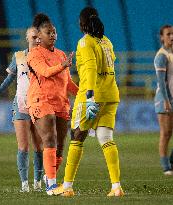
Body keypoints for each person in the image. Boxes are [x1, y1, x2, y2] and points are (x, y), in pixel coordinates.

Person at [52, 7, 124, 197]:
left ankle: (67, 187)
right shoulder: (106, 41)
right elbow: (111, 65)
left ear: (82, 23)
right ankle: (116, 187)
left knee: (77, 136)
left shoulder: (85, 43)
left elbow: (91, 69)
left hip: (92, 97)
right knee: (106, 138)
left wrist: (90, 98)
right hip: (111, 95)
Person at [0, 27, 43, 192]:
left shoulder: (44, 56)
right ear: (27, 38)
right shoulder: (19, 56)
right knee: (23, 146)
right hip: (21, 103)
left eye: (39, 37)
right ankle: (25, 184)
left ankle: (37, 182)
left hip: (38, 104)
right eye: (34, 37)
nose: (37, 40)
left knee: (39, 147)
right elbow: (10, 78)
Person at [27, 13, 78, 195]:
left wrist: (84, 95)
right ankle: (51, 185)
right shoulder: (34, 54)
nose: (53, 35)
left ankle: (50, 179)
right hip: (40, 100)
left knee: (61, 145)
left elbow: (68, 83)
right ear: (39, 36)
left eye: (54, 32)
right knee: (50, 138)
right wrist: (63, 66)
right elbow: (45, 72)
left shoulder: (61, 54)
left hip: (61, 103)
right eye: (48, 32)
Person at [154, 25, 173, 175]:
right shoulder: (161, 56)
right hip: (164, 99)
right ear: (162, 37)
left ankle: (171, 161)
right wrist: (167, 100)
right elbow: (161, 82)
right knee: (166, 133)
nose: (171, 37)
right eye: (168, 34)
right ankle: (166, 166)